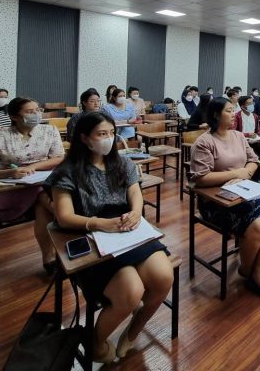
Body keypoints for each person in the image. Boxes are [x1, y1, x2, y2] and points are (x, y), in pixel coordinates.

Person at [47, 111, 172, 363]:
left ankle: (133, 331)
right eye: (101, 134)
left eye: (111, 133)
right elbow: (63, 217)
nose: (109, 139)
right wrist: (100, 224)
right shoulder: (67, 171)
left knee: (163, 276)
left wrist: (136, 212)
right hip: (92, 235)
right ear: (84, 138)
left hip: (125, 229)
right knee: (131, 291)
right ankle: (95, 341)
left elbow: (134, 193)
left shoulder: (122, 164)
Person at [190, 98, 260, 301]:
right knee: (256, 225)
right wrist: (236, 174)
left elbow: (254, 160)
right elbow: (200, 178)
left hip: (243, 191)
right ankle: (249, 271)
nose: (234, 114)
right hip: (215, 200)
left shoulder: (238, 136)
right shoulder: (204, 142)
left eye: (234, 110)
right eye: (229, 110)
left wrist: (244, 173)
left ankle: (258, 268)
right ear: (215, 115)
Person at [0, 97, 65, 272]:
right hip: (12, 189)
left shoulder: (49, 131)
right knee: (46, 199)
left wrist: (33, 167)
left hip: (41, 183)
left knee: (42, 201)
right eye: (30, 112)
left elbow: (59, 158)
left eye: (38, 110)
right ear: (14, 116)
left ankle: (49, 258)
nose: (36, 114)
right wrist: (10, 172)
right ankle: (70, 222)